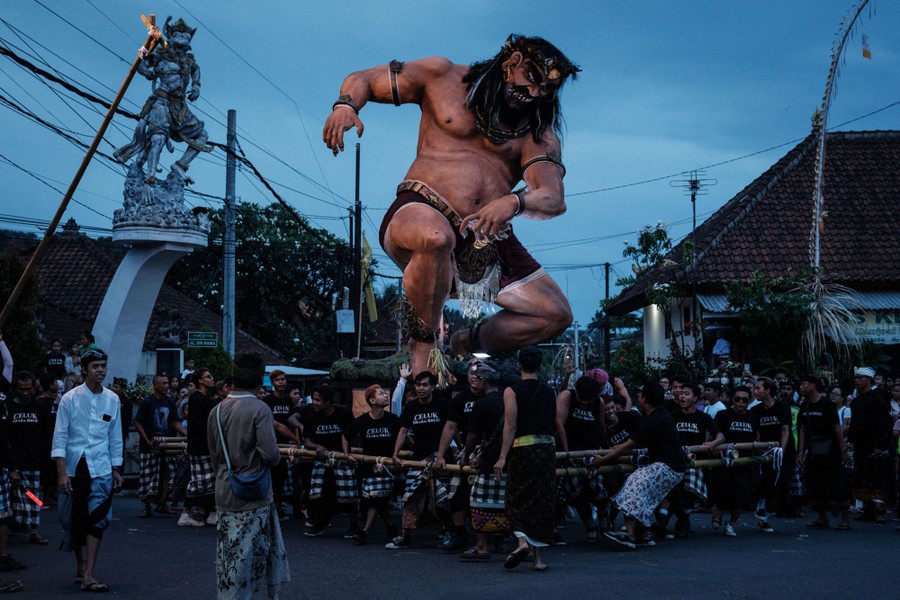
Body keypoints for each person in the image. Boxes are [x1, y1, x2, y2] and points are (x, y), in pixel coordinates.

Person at [323, 35, 580, 375]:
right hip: (421, 209)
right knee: (435, 237)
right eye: (532, 79)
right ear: (511, 62)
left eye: (546, 91)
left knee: (554, 314)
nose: (534, 94)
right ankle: (423, 350)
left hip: (482, 236)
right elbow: (365, 79)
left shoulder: (538, 133)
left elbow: (551, 196)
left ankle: (465, 342)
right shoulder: (442, 76)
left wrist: (513, 202)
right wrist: (345, 106)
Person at [207, 352, 289, 599]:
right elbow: (271, 455)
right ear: (260, 379)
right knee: (252, 559)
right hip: (254, 493)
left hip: (225, 489)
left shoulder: (217, 410)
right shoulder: (260, 409)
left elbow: (214, 455)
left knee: (229, 557)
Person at [51, 349, 123, 593]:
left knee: (99, 518)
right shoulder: (70, 399)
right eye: (95, 366)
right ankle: (80, 565)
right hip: (73, 467)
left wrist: (116, 469)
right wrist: (61, 472)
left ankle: (90, 573)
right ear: (84, 370)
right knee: (69, 518)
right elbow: (59, 436)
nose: (100, 370)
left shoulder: (113, 399)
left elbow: (115, 437)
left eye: (103, 365)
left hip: (101, 467)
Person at [115, 17, 209, 184]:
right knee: (157, 138)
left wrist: (196, 86)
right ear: (170, 37)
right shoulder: (160, 54)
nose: (181, 42)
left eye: (186, 38)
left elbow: (196, 70)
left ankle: (180, 165)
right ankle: (150, 176)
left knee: (202, 135)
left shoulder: (189, 60)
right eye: (178, 37)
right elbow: (141, 64)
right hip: (161, 101)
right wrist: (147, 71)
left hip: (179, 105)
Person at [595, 382, 686, 549]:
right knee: (641, 494)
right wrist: (612, 450)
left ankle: (629, 534)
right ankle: (644, 533)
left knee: (633, 483)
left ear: (644, 399)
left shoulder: (653, 419)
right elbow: (629, 444)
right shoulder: (661, 415)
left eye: (640, 396)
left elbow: (628, 445)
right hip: (673, 468)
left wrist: (602, 460)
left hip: (667, 467)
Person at [493, 346, 556, 571]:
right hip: (547, 451)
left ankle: (521, 543)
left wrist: (502, 457)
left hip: (523, 450)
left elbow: (510, 425)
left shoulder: (512, 390)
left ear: (519, 365)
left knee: (517, 499)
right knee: (542, 501)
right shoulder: (550, 392)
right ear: (540, 366)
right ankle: (538, 561)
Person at [386, 371, 450, 550]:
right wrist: (396, 453)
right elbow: (403, 431)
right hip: (418, 457)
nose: (421, 388)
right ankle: (405, 535)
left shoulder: (443, 404)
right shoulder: (411, 407)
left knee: (442, 497)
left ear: (433, 387)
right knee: (410, 496)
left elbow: (450, 429)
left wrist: (455, 451)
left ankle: (449, 531)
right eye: (418, 385)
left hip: (440, 456)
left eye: (425, 385)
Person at [434, 359, 485, 551]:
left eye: (479, 373)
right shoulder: (459, 400)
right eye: (472, 372)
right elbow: (449, 427)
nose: (475, 376)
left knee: (493, 494)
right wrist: (440, 456)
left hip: (491, 451)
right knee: (456, 494)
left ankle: (499, 536)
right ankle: (459, 534)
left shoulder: (496, 397)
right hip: (466, 452)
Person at [458, 363, 508, 560]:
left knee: (478, 501)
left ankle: (481, 545)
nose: (474, 381)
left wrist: (466, 456)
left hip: (489, 460)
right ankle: (503, 541)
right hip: (509, 457)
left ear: (484, 381)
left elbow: (473, 435)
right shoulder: (508, 399)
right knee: (504, 501)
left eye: (477, 378)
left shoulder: (482, 404)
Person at [342, 385, 401, 545]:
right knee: (374, 501)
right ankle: (391, 527)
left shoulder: (393, 419)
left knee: (377, 499)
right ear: (372, 400)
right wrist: (346, 454)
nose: (386, 396)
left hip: (386, 467)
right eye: (382, 393)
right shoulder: (362, 421)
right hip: (368, 467)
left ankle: (364, 532)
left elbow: (403, 436)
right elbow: (346, 436)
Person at [555, 375, 609, 542]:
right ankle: (590, 527)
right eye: (582, 399)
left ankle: (604, 522)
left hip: (591, 452)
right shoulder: (567, 396)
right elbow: (559, 424)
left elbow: (601, 426)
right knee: (576, 492)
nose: (584, 403)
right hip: (570, 451)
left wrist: (606, 450)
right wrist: (567, 453)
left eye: (588, 400)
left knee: (599, 490)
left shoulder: (598, 402)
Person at [302, 384, 357, 538]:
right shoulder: (312, 416)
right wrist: (316, 446)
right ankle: (319, 524)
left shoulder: (343, 413)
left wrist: (346, 451)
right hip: (322, 461)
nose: (314, 402)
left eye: (318, 400)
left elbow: (352, 434)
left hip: (342, 459)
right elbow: (306, 440)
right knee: (319, 495)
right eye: (313, 399)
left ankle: (354, 526)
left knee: (349, 495)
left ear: (328, 402)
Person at [797, 374, 851, 530]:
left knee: (837, 482)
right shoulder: (805, 404)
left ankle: (845, 519)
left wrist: (843, 451)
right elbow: (802, 429)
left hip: (831, 449)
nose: (801, 387)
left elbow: (837, 428)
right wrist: (801, 452)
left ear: (812, 386)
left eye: (804, 384)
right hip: (814, 450)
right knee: (814, 482)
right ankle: (822, 518)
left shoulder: (827, 404)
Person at [7, 371, 52, 545]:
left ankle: (34, 530)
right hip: (13, 462)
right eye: (21, 389)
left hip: (34, 461)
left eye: (28, 389)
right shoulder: (10, 407)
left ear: (34, 388)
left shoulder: (40, 407)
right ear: (16, 389)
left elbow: (47, 433)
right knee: (10, 497)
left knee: (34, 497)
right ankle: (12, 527)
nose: (25, 393)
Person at [847, 367, 894, 524]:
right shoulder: (857, 401)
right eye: (856, 378)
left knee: (877, 476)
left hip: (875, 444)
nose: (857, 380)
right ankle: (867, 510)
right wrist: (851, 441)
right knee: (863, 476)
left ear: (869, 380)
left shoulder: (877, 399)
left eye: (860, 378)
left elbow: (884, 424)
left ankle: (879, 511)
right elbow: (854, 423)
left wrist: (880, 445)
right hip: (860, 445)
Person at [134, 375, 186, 517]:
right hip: (149, 446)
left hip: (167, 445)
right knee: (148, 477)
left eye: (168, 383)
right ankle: (147, 506)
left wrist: (186, 434)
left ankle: (162, 504)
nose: (167, 385)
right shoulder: (147, 402)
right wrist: (147, 440)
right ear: (155, 385)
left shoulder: (170, 402)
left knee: (166, 475)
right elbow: (138, 423)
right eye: (164, 383)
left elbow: (174, 422)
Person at [712, 385, 759, 537]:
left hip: (744, 462)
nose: (740, 402)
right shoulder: (723, 415)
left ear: (748, 401)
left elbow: (757, 437)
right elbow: (715, 435)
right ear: (733, 399)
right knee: (720, 491)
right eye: (737, 399)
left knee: (741, 495)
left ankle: (731, 524)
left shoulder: (753, 416)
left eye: (744, 400)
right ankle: (717, 512)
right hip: (724, 461)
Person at [179, 368, 219, 527]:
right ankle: (187, 514)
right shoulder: (200, 399)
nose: (212, 378)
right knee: (202, 482)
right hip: (202, 447)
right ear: (201, 381)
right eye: (208, 377)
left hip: (199, 446)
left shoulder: (198, 398)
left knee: (203, 481)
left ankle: (208, 514)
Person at [750, 377, 791, 533]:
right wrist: (763, 449)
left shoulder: (782, 408)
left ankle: (766, 515)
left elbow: (785, 430)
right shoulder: (755, 410)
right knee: (763, 482)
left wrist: (781, 450)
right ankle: (761, 508)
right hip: (765, 452)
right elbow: (757, 433)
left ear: (767, 390)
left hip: (782, 452)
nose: (755, 391)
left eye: (758, 388)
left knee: (780, 485)